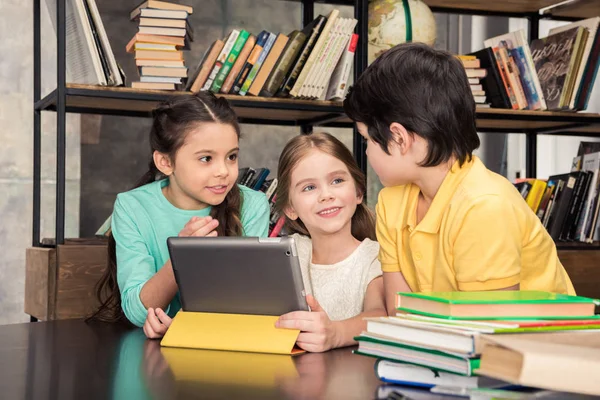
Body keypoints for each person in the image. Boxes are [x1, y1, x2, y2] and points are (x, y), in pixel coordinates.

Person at [343, 42, 575, 315]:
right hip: (448, 344)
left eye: (367, 139)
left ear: (399, 138)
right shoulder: (391, 202)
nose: (367, 151)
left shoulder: (484, 206)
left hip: (533, 349)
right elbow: (399, 312)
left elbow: (487, 326)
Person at [92, 92, 270, 337]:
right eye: (206, 158)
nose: (223, 171)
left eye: (231, 157)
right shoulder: (132, 206)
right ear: (165, 162)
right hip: (153, 358)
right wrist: (182, 256)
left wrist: (185, 328)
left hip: (227, 347)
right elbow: (137, 312)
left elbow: (253, 303)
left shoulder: (253, 204)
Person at [273, 132, 387, 352]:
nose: (326, 195)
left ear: (358, 192)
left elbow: (379, 314)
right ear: (290, 208)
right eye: (309, 187)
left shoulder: (375, 256)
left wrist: (336, 334)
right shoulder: (288, 252)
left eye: (337, 181)